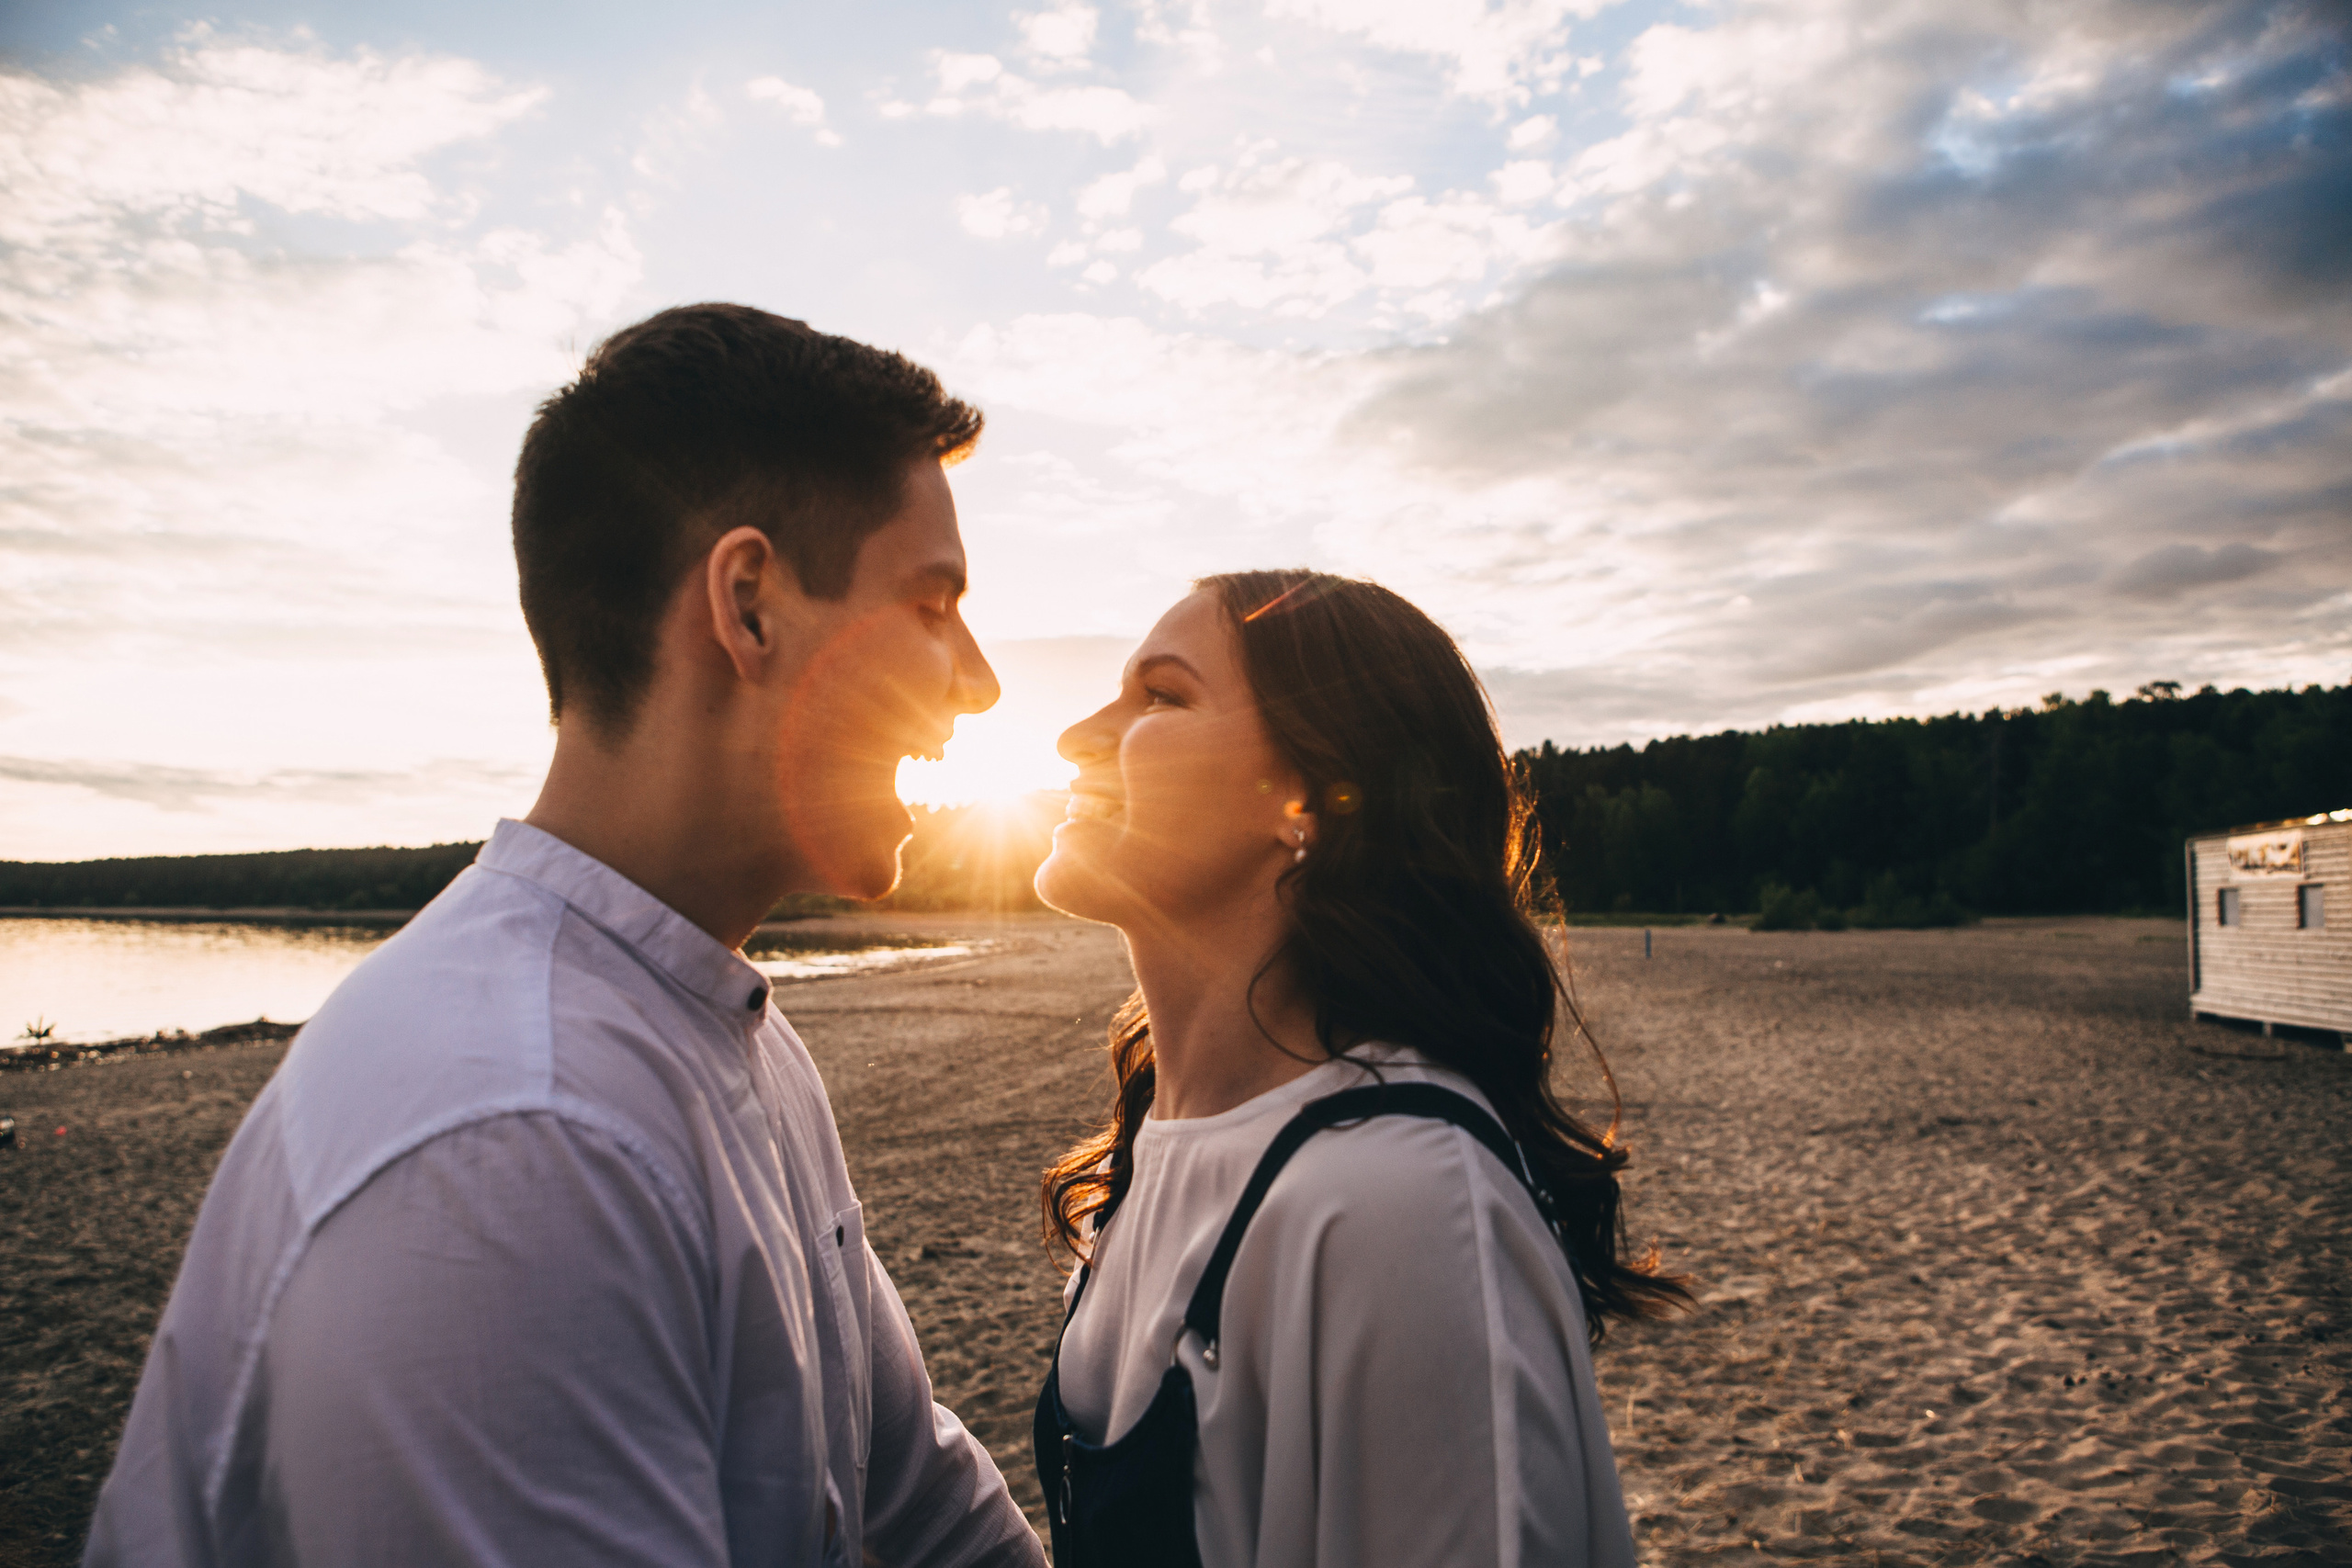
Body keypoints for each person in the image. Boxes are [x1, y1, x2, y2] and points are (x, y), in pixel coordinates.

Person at [86, 304, 1045, 1568]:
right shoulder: (518, 1137)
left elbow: (915, 1489)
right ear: (750, 605)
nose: (980, 680)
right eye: (931, 603)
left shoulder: (731, 1032)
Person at [1029, 570, 1690, 1567]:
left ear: (1307, 799)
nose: (1075, 736)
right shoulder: (1141, 1157)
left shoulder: (1400, 1201)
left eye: (1159, 696)